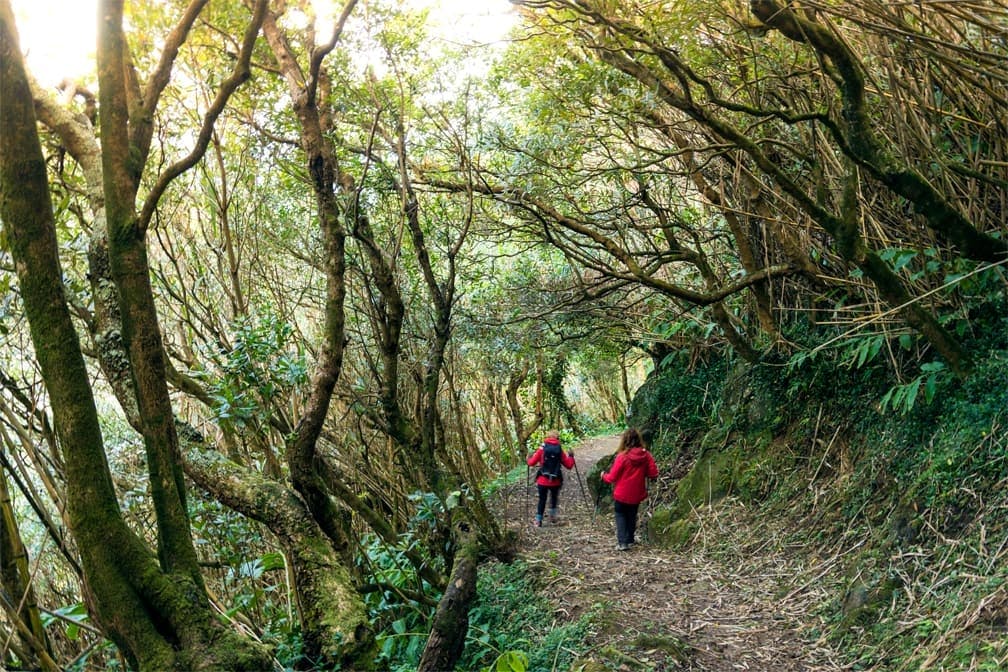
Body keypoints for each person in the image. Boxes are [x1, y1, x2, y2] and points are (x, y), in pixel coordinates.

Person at [602, 427, 659, 550]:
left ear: (625, 440)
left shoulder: (622, 457)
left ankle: (622, 543)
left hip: (621, 494)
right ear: (638, 439)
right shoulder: (646, 455)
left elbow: (612, 477)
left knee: (620, 514)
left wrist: (603, 476)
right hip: (636, 494)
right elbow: (653, 473)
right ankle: (630, 539)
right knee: (632, 515)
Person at [526, 429, 575, 527]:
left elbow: (531, 463)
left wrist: (528, 458)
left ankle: (538, 520)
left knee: (542, 499)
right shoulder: (559, 449)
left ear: (547, 437)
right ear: (558, 438)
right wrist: (571, 456)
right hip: (556, 480)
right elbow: (569, 465)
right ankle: (553, 517)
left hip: (542, 480)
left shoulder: (542, 449)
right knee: (553, 498)